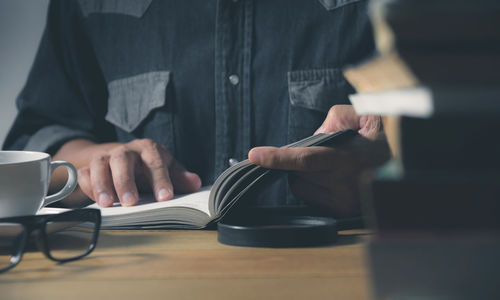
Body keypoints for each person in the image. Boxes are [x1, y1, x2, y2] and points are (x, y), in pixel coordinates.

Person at [4, 0, 390, 217]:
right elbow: (39, 135)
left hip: (342, 271)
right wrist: (99, 164)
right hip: (143, 280)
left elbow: (443, 135)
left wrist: (389, 172)